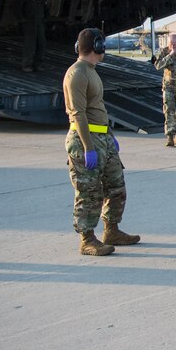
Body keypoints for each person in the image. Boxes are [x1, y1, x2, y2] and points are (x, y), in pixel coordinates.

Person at [63, 28, 140, 256]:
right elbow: (78, 113)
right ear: (97, 46)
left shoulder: (91, 70)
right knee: (89, 192)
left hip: (102, 137)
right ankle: (87, 239)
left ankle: (111, 230)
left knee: (116, 186)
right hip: (85, 140)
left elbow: (98, 108)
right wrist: (88, 148)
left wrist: (110, 137)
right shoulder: (76, 73)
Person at [21, 0, 47, 73]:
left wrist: (45, 19)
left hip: (39, 23)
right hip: (29, 23)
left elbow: (45, 8)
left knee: (41, 43)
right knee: (30, 45)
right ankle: (26, 64)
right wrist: (22, 19)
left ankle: (38, 64)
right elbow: (17, 7)